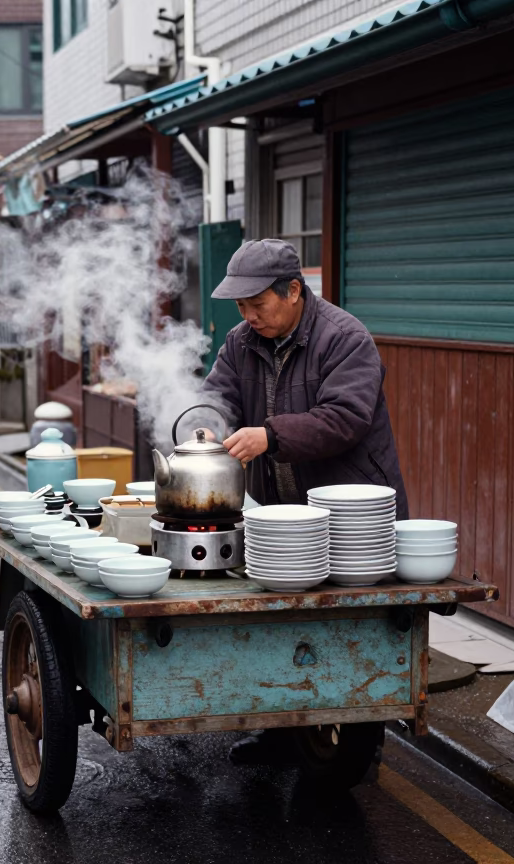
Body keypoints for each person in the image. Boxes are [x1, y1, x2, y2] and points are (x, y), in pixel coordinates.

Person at [201, 238, 407, 765]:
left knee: (344, 626)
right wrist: (204, 425)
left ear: (293, 291)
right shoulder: (241, 341)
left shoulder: (345, 338)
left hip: (347, 513)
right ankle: (277, 729)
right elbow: (218, 394)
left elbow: (345, 417)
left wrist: (268, 434)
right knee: (275, 622)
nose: (248, 317)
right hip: (280, 511)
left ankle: (358, 735)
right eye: (240, 307)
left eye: (257, 305)